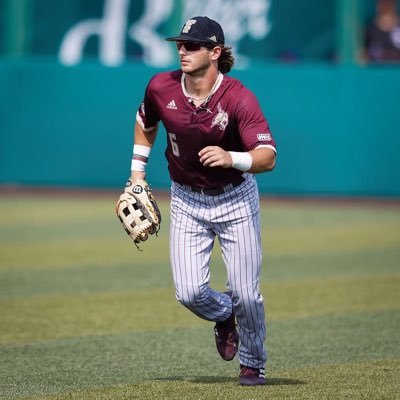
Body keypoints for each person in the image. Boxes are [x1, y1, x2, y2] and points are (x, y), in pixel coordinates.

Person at [129, 16, 277, 386]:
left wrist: (233, 158)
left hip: (235, 198)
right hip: (186, 199)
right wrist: (137, 173)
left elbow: (268, 156)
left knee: (246, 292)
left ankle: (253, 362)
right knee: (189, 293)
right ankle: (225, 315)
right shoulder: (161, 87)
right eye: (180, 43)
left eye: (192, 45)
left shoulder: (238, 97)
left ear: (215, 52)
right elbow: (146, 123)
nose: (183, 50)